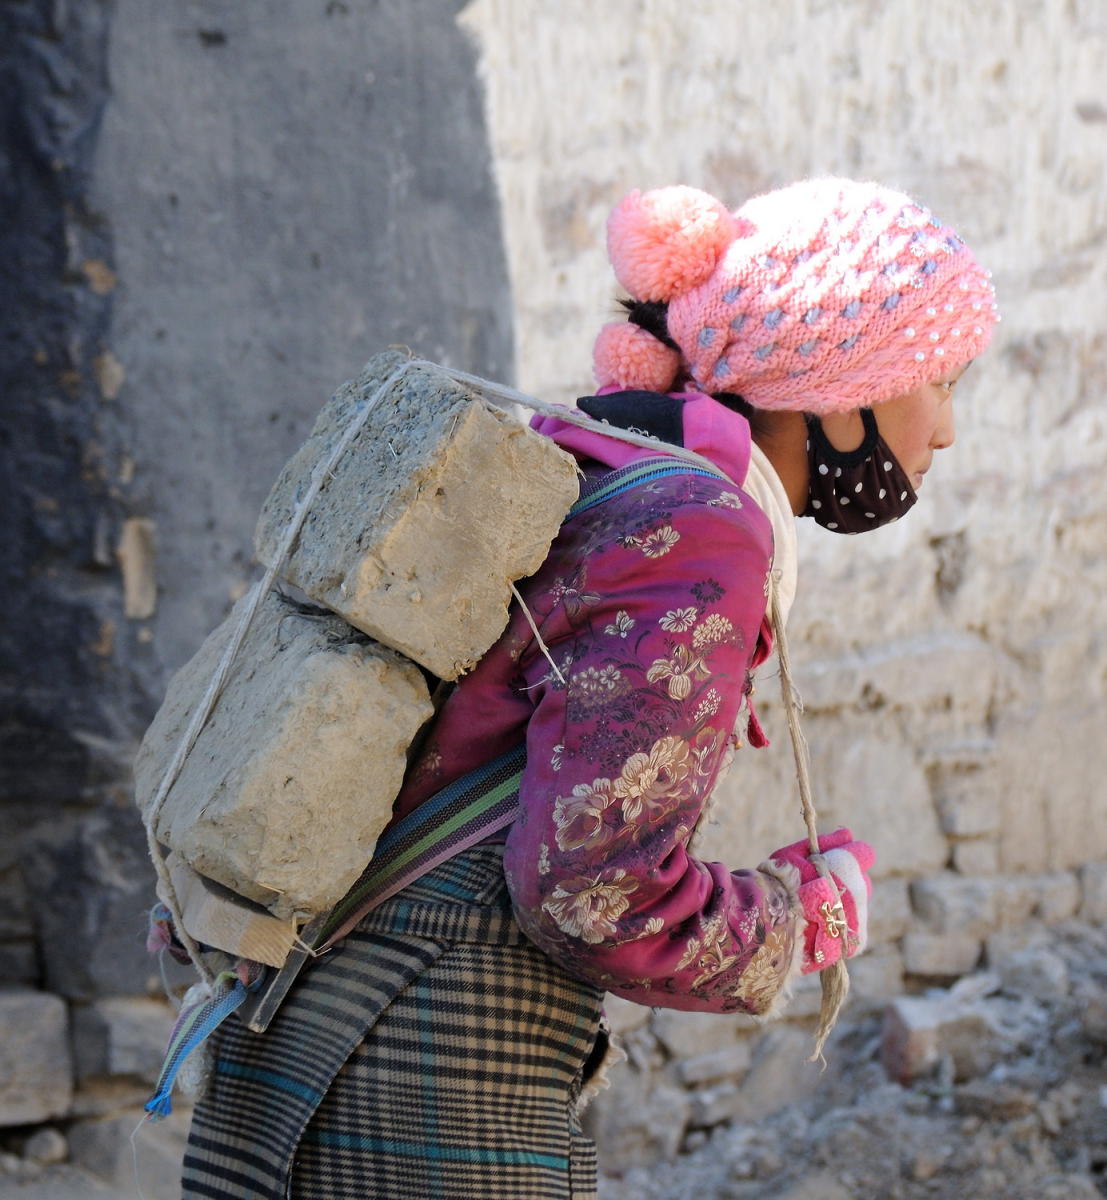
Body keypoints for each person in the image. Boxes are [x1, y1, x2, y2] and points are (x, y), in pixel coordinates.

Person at [182, 177, 997, 1199]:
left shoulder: (600, 468)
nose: (949, 432)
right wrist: (797, 921)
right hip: (421, 1082)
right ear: (842, 396)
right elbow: (592, 893)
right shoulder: (700, 526)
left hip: (306, 1041)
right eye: (946, 384)